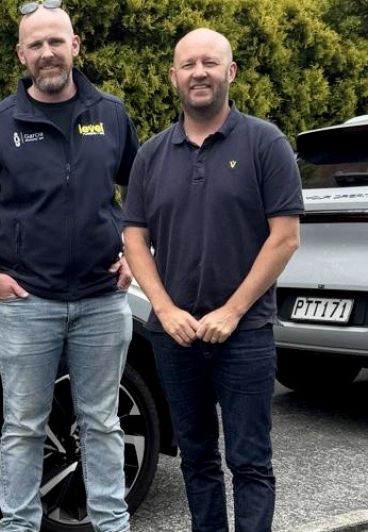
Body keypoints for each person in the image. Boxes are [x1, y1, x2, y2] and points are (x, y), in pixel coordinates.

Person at [0, 2, 139, 531]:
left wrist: (134, 254)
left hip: (102, 299)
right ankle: (18, 526)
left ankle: (112, 525)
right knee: (22, 427)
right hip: (26, 302)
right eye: (35, 44)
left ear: (75, 45)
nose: (47, 53)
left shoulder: (111, 114)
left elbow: (141, 195)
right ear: (21, 54)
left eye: (56, 41)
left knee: (102, 423)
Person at [123, 28, 303, 532]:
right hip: (174, 335)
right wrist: (163, 308)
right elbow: (134, 238)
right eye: (188, 64)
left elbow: (284, 237)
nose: (198, 72)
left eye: (209, 62)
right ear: (173, 76)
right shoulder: (151, 156)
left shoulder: (265, 143)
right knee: (197, 459)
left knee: (249, 461)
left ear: (231, 72)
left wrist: (232, 311)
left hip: (244, 335)